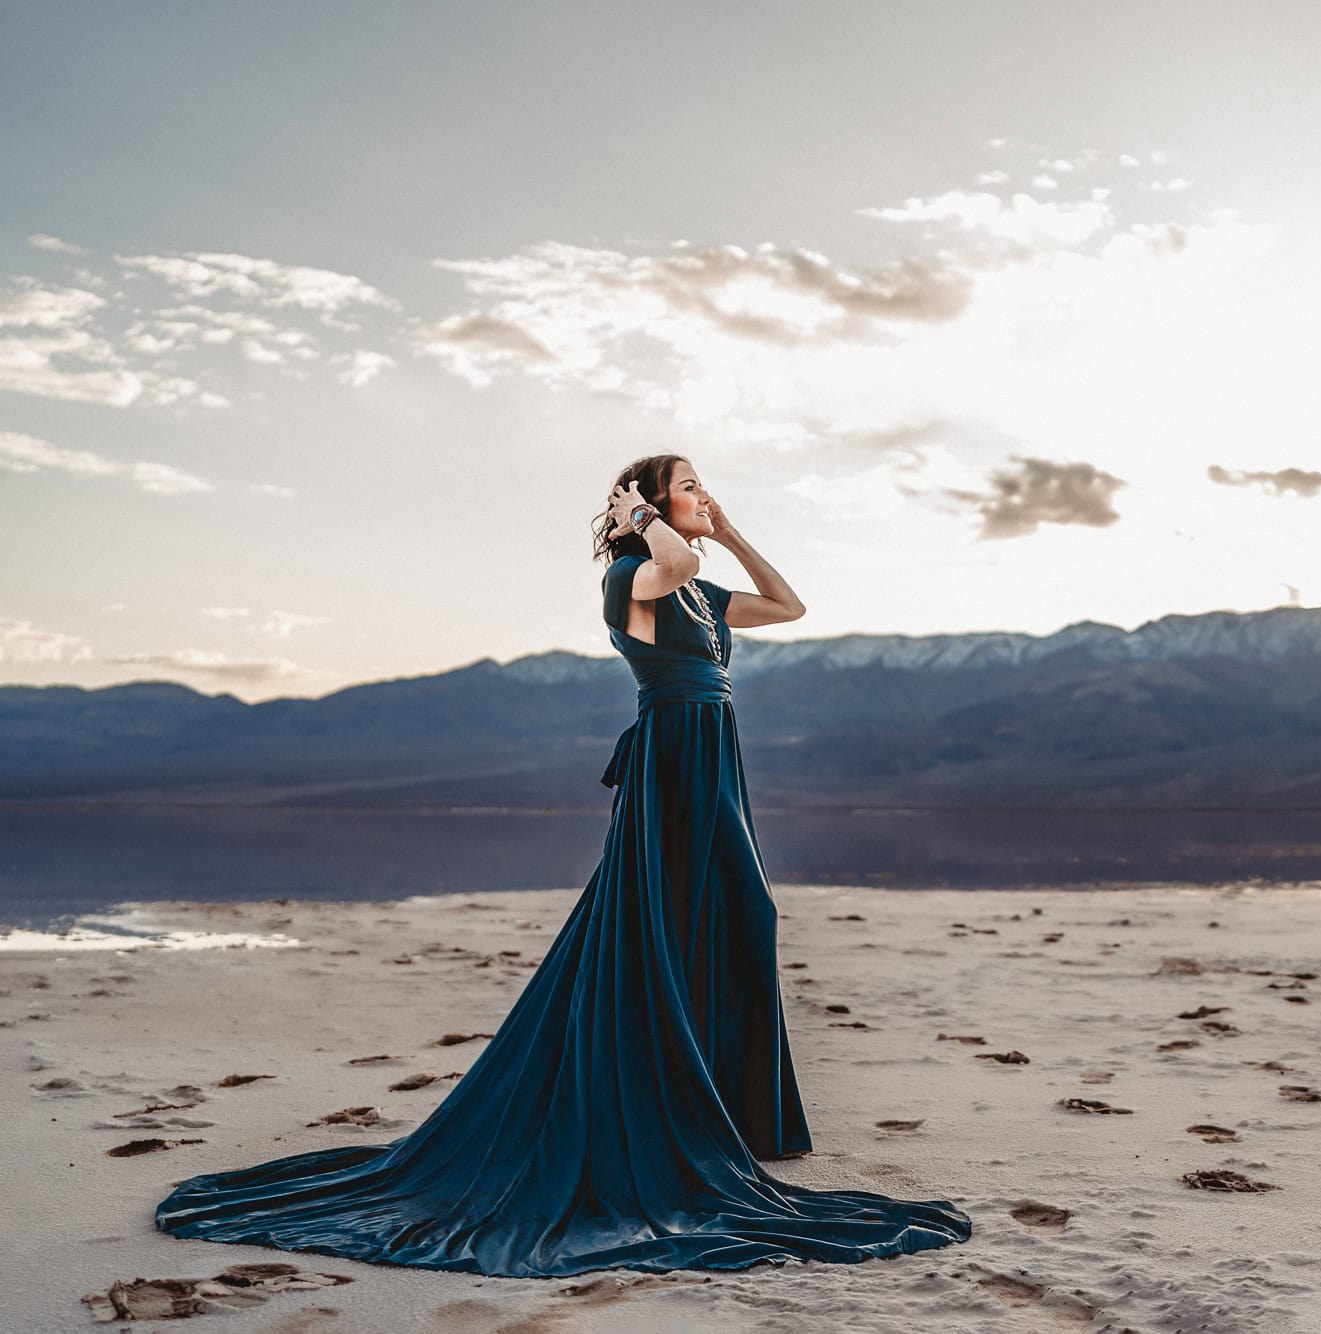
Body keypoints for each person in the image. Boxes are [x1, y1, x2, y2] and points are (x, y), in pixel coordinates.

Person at [152, 453, 975, 1276]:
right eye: (688, 485)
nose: (703, 495)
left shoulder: (698, 589)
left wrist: (729, 530)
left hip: (712, 752)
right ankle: (676, 1111)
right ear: (645, 507)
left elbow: (790, 606)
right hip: (672, 757)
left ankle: (741, 1118)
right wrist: (643, 524)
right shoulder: (632, 579)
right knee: (669, 919)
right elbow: (673, 563)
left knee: (741, 913)